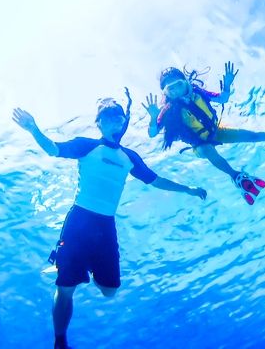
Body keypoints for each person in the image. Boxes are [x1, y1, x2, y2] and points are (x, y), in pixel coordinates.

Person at [12, 94, 207, 349]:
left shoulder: (130, 157)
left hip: (105, 226)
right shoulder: (87, 146)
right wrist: (33, 128)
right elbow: (53, 149)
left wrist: (189, 189)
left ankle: (83, 265)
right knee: (67, 286)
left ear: (123, 121)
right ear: (99, 123)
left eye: (119, 116)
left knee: (110, 290)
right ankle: (60, 341)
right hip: (80, 220)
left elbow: (156, 180)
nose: (114, 119)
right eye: (108, 116)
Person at [141, 62, 265, 205]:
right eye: (170, 88)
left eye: (178, 84)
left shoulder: (197, 92)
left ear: (186, 83)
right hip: (198, 145)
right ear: (165, 92)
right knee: (208, 150)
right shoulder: (167, 110)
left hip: (217, 131)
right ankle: (236, 177)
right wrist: (153, 117)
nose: (175, 90)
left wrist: (227, 85)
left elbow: (223, 98)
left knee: (254, 135)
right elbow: (152, 133)